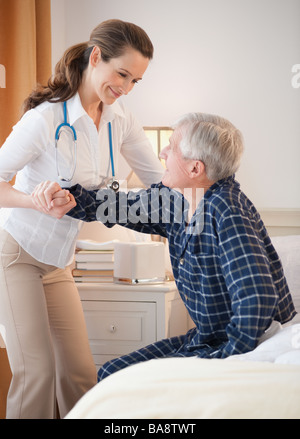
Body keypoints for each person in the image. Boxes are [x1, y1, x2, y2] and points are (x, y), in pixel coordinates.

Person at [47, 112, 296, 382]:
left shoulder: (226, 208)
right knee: (111, 373)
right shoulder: (179, 202)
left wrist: (224, 359)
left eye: (172, 146)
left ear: (195, 169)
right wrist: (68, 198)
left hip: (237, 344)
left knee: (119, 378)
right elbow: (116, 207)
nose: (163, 152)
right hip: (207, 338)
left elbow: (256, 301)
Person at [0, 19, 163, 419]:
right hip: (16, 255)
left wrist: (201, 183)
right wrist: (32, 200)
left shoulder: (118, 118)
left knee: (79, 375)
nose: (124, 87)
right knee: (36, 371)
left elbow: (159, 180)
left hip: (58, 262)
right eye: (121, 73)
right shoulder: (45, 119)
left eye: (135, 81)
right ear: (96, 57)